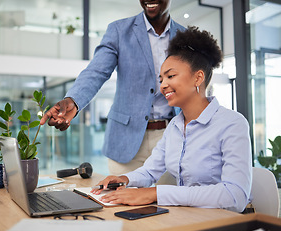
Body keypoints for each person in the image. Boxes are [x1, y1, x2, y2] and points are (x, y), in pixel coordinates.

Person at [91, 26, 252, 213]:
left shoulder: (232, 124)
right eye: (161, 79)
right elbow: (150, 171)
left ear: (198, 78)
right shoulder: (175, 125)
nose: (163, 85)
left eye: (171, 76)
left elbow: (235, 196)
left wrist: (155, 194)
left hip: (223, 222)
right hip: (186, 216)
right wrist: (125, 179)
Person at [40, 0, 185, 175]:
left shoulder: (186, 36)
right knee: (120, 201)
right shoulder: (119, 31)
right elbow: (97, 71)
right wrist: (73, 101)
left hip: (171, 139)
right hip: (125, 141)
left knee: (170, 201)